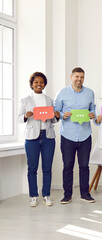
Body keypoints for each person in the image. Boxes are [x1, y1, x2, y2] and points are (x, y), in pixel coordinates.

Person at [54, 67, 96, 204]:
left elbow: (93, 109)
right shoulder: (62, 92)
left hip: (85, 135)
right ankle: (67, 194)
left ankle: (85, 193)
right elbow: (55, 110)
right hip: (68, 135)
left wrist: (92, 114)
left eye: (82, 77)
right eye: (77, 76)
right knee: (68, 166)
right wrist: (61, 115)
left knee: (84, 166)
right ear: (71, 77)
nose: (79, 79)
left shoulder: (90, 93)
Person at [18, 72, 60, 207]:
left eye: (41, 82)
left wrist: (57, 115)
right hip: (31, 138)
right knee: (32, 168)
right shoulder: (25, 100)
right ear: (31, 84)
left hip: (48, 136)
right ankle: (33, 196)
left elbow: (53, 119)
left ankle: (46, 195)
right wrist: (25, 115)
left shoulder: (49, 100)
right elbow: (19, 118)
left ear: (44, 84)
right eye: (36, 82)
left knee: (47, 168)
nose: (39, 84)